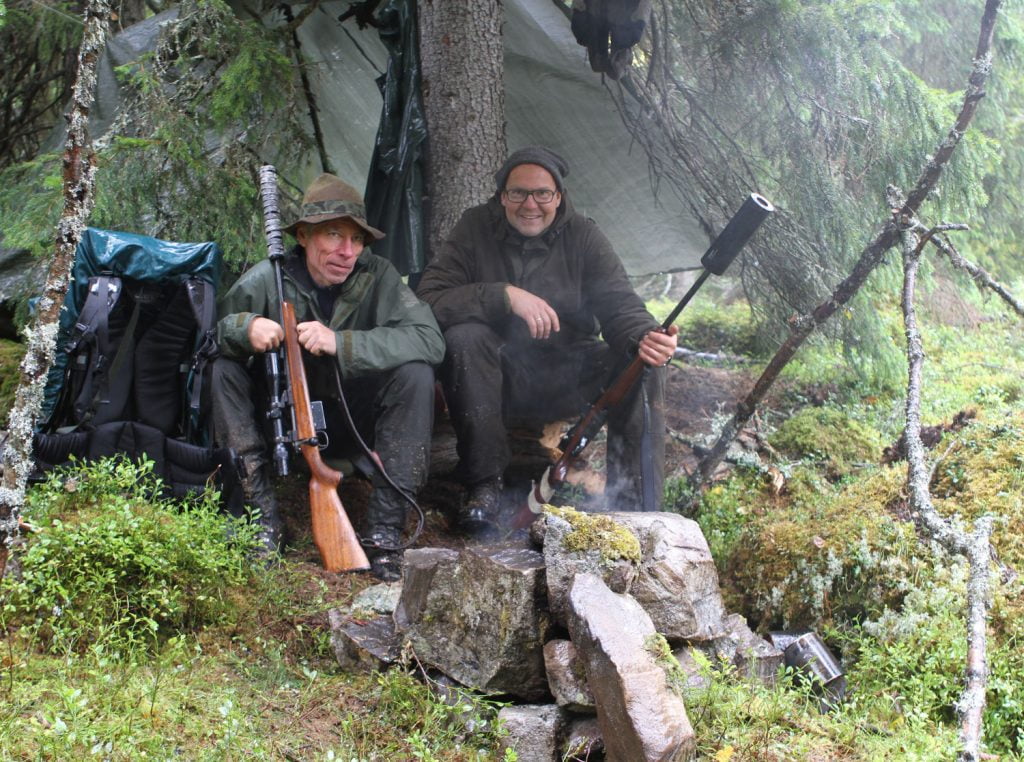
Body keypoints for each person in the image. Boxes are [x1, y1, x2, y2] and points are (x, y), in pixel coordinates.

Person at [416, 146, 678, 535]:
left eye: (543, 194)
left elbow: (619, 304)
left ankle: (637, 506)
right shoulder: (474, 228)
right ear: (502, 196)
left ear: (559, 197)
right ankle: (483, 486)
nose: (530, 205)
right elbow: (429, 299)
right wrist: (503, 295)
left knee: (642, 363)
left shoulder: (584, 236)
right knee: (465, 337)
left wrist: (647, 336)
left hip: (569, 375)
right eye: (518, 193)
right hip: (495, 378)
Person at [212, 173, 444, 581]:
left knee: (417, 375)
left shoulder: (380, 276)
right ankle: (260, 520)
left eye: (356, 240)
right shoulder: (267, 279)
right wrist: (245, 329)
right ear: (303, 236)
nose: (347, 251)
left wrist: (342, 343)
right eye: (334, 236)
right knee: (223, 370)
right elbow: (211, 337)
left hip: (353, 423)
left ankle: (384, 533)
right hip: (279, 424)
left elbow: (429, 340)